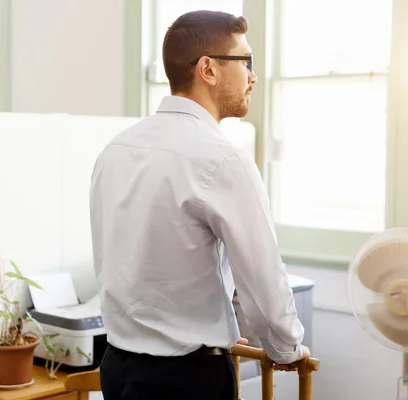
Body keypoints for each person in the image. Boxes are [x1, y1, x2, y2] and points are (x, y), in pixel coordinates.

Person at [89, 9, 310, 400]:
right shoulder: (222, 160)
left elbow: (121, 265)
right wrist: (286, 349)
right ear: (207, 68)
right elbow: (263, 281)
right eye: (246, 62)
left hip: (118, 371)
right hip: (187, 381)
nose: (253, 76)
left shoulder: (115, 149)